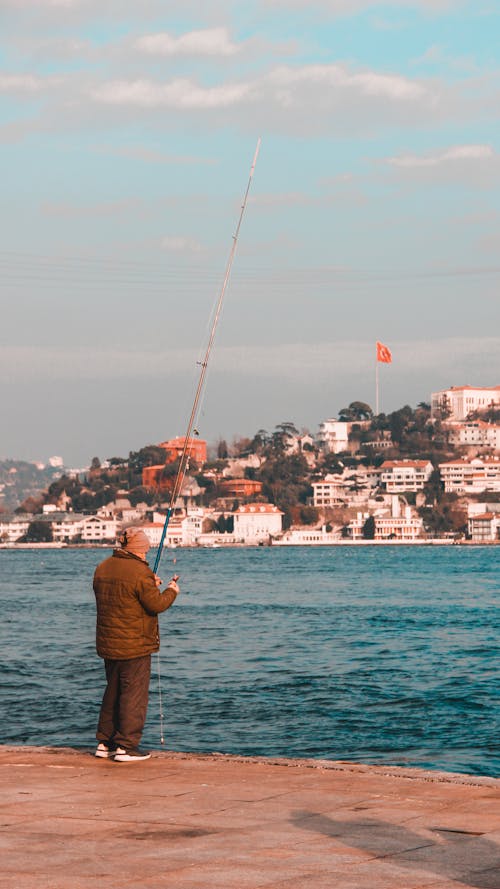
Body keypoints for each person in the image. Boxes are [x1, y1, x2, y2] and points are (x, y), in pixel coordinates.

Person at [93, 527, 180, 762]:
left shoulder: (103, 567)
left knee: (112, 692)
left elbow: (123, 593)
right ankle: (126, 747)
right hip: (135, 645)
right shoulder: (140, 572)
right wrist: (171, 591)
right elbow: (155, 605)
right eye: (145, 551)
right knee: (133, 696)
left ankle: (105, 742)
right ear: (139, 549)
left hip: (109, 643)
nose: (146, 555)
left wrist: (149, 583)